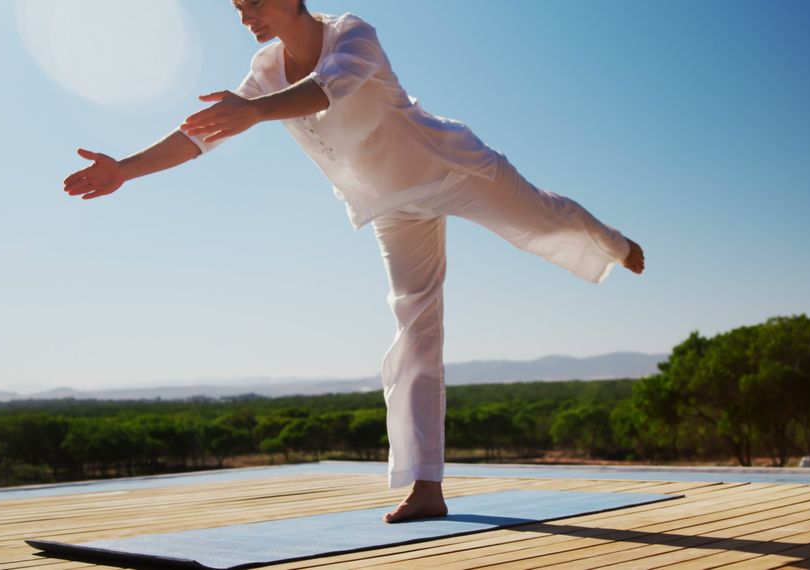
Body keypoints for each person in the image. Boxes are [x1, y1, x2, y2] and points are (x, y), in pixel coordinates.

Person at [63, 0, 645, 523]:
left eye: (255, 4)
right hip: (392, 206)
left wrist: (256, 112)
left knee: (542, 218)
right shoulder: (265, 72)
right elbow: (200, 136)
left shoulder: (352, 34)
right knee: (415, 332)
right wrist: (124, 169)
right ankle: (426, 486)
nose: (246, 18)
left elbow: (326, 88)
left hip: (451, 170)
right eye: (238, 7)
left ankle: (612, 242)